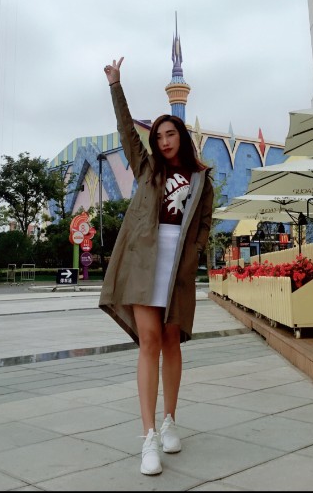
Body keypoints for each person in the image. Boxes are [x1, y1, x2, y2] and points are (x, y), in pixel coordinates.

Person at [100, 57, 214, 476]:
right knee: (148, 342)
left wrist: (196, 252)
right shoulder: (147, 168)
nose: (164, 141)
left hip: (178, 267)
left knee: (171, 342)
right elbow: (127, 131)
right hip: (144, 263)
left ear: (182, 137)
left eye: (171, 134)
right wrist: (116, 85)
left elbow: (205, 223)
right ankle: (148, 436)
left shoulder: (202, 179)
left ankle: (169, 422)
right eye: (160, 135)